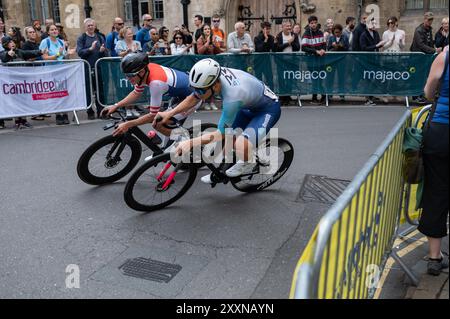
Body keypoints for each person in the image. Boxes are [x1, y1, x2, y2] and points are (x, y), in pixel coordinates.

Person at [155, 58, 281, 183]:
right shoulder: (213, 77)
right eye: (194, 88)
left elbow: (220, 133)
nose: (196, 93)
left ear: (215, 86)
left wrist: (190, 143)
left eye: (200, 90)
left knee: (239, 143)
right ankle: (222, 170)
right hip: (247, 105)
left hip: (267, 109)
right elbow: (194, 97)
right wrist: (169, 113)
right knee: (228, 138)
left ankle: (248, 162)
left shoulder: (233, 96)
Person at [101, 53, 202, 146]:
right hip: (181, 94)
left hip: (193, 98)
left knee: (159, 122)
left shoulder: (155, 83)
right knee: (165, 127)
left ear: (141, 72)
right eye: (126, 76)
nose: (128, 79)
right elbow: (136, 93)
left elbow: (152, 115)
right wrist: (116, 105)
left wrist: (128, 124)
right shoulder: (145, 71)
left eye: (131, 76)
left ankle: (187, 141)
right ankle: (172, 146)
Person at [420, 46, 449, 276]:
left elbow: (429, 93)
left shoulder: (444, 56)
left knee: (436, 192)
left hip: (440, 131)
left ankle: (434, 258)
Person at [1, 35, 44, 129]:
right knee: (15, 102)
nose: (12, 43)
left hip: (22, 81)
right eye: (9, 42)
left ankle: (24, 120)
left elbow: (29, 53)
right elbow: (4, 58)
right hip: (12, 83)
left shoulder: (19, 52)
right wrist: (9, 54)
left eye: (12, 41)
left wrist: (40, 52)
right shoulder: (3, 52)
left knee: (24, 101)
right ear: (5, 45)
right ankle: (17, 121)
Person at [40, 24, 76, 125]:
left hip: (62, 70)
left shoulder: (61, 41)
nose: (54, 31)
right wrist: (58, 55)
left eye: (55, 29)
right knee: (55, 93)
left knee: (63, 92)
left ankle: (64, 113)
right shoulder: (45, 42)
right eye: (52, 30)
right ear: (48, 32)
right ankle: (58, 115)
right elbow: (44, 57)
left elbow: (63, 56)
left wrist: (68, 53)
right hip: (51, 71)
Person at [77, 18, 109, 120]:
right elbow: (80, 52)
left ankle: (101, 111)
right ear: (85, 27)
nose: (91, 27)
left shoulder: (100, 37)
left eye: (92, 25)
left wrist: (101, 51)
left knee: (100, 90)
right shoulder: (82, 38)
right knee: (88, 90)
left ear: (95, 26)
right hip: (87, 68)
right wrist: (90, 49)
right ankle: (90, 111)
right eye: (88, 25)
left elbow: (105, 53)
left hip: (98, 67)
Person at [411, 12, 440, 104]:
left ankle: (421, 94)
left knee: (423, 76)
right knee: (417, 76)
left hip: (425, 58)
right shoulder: (419, 30)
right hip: (417, 57)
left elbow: (430, 42)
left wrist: (434, 48)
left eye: (431, 20)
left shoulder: (429, 30)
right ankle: (415, 96)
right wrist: (434, 50)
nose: (430, 21)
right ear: (424, 19)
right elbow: (421, 45)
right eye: (428, 20)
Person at [302, 15, 326, 104]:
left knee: (320, 78)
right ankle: (315, 97)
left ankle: (323, 96)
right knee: (315, 79)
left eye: (315, 23)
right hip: (311, 61)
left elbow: (324, 44)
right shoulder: (306, 34)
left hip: (321, 60)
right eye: (312, 23)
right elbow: (304, 48)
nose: (314, 25)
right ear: (309, 24)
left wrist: (323, 49)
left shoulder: (320, 33)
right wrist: (316, 51)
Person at [360, 18, 385, 107]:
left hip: (375, 59)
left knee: (374, 77)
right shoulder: (363, 34)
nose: (374, 25)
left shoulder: (375, 33)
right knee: (368, 78)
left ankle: (372, 95)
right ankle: (368, 98)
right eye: (372, 23)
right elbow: (363, 48)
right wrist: (376, 46)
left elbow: (378, 44)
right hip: (367, 60)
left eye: (375, 23)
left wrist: (381, 44)